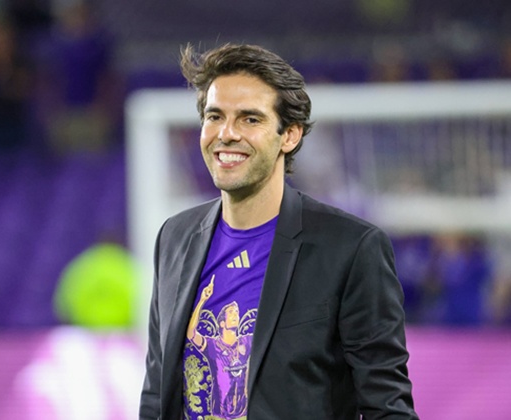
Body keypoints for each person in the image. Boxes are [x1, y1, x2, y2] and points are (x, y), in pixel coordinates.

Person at [139, 43, 418, 419]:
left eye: (250, 119)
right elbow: (157, 394)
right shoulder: (175, 238)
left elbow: (387, 407)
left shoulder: (350, 248)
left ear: (290, 135)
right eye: (215, 116)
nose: (226, 134)